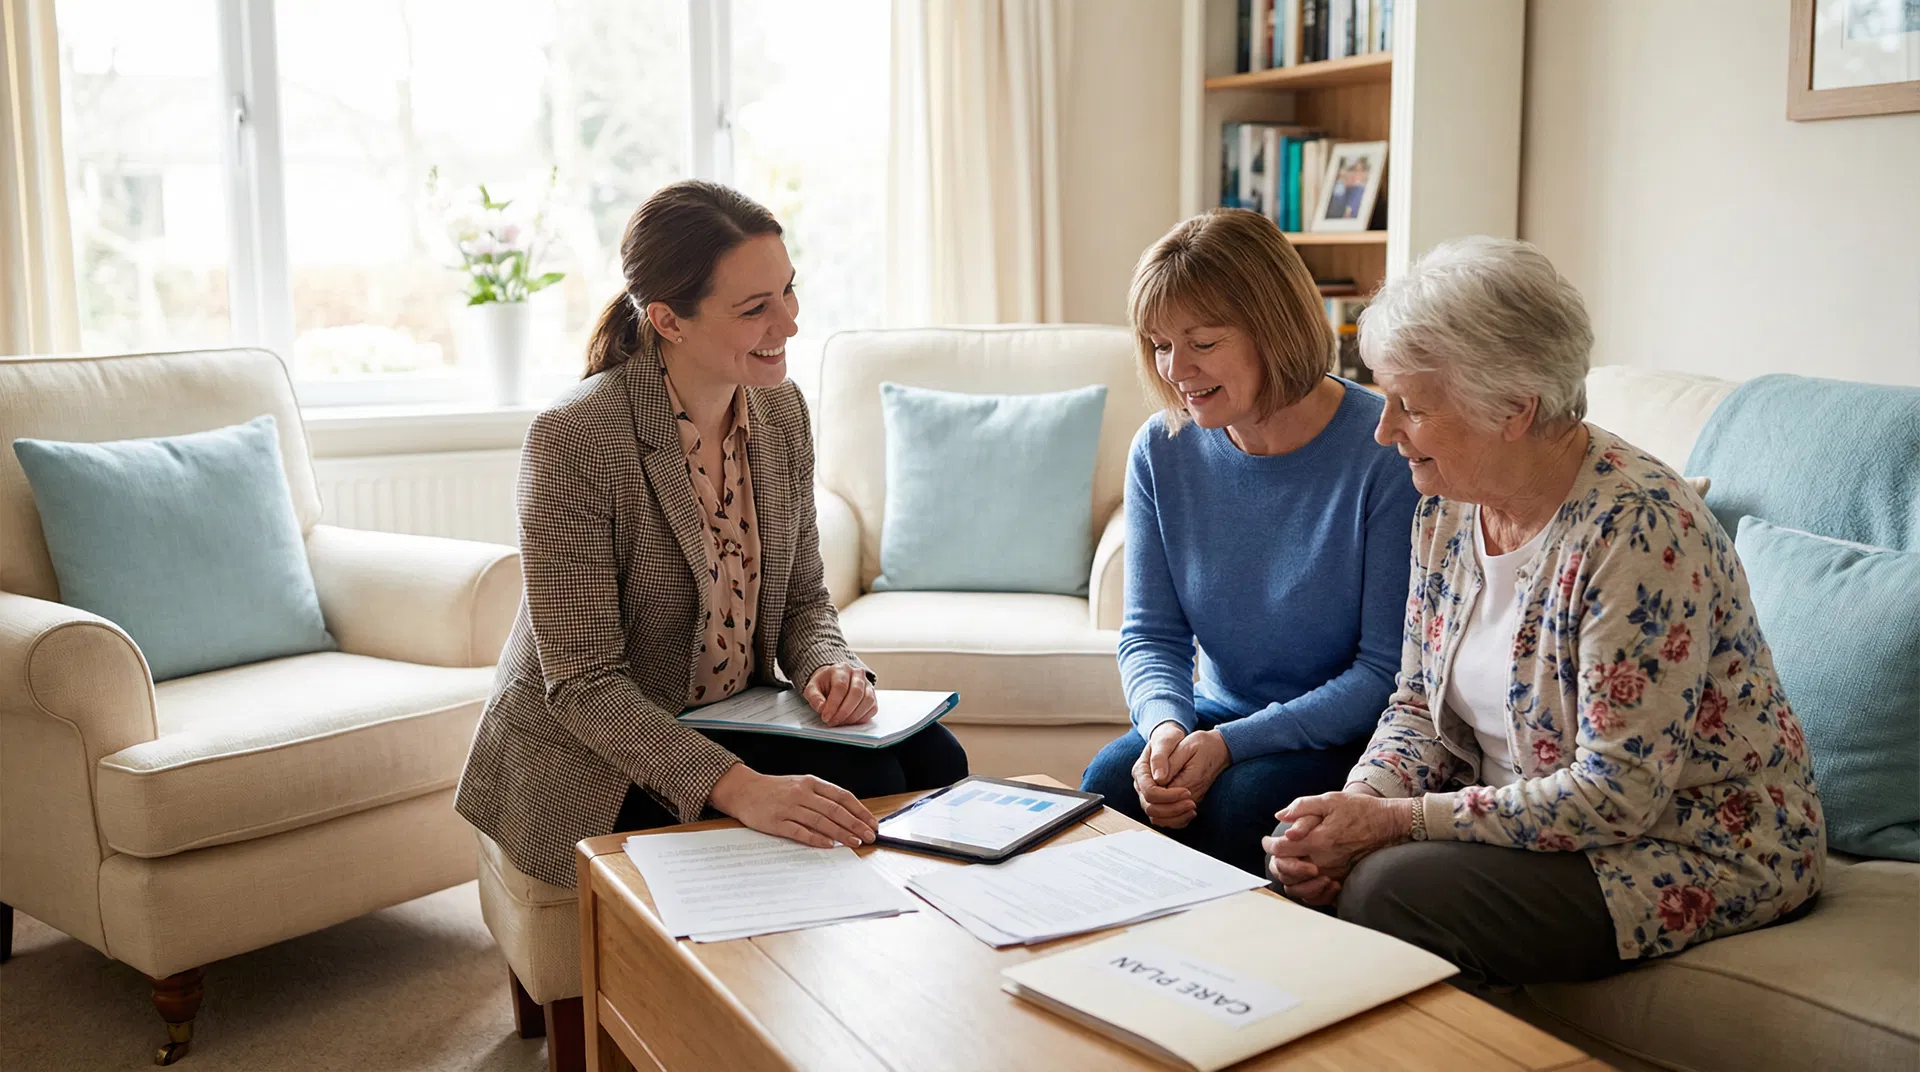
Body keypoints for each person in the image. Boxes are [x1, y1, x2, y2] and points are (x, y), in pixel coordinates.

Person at [1265, 237, 1824, 986]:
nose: (1385, 429)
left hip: (1689, 843)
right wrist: (1354, 805)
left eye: (1413, 407)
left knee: (1387, 889)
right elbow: (1416, 706)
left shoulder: (1638, 532)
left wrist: (1396, 824)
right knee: (1292, 840)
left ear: (1513, 410)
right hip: (1519, 819)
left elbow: (1616, 795)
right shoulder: (1448, 506)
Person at [456, 180, 968, 889]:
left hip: (732, 713)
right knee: (876, 777)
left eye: (788, 292)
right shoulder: (573, 439)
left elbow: (802, 601)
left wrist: (828, 666)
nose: (788, 324)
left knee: (940, 761)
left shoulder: (780, 410)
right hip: (602, 749)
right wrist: (740, 787)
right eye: (756, 308)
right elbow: (583, 685)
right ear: (668, 320)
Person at [1079, 209, 1420, 877]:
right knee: (1112, 783)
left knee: (1243, 808)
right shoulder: (1161, 449)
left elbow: (1382, 674)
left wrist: (1229, 746)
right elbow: (1150, 635)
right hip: (1215, 718)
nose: (1176, 369)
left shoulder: (1382, 450)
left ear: (1274, 327)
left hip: (1343, 734)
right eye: (1158, 345)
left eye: (1202, 342)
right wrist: (1166, 731)